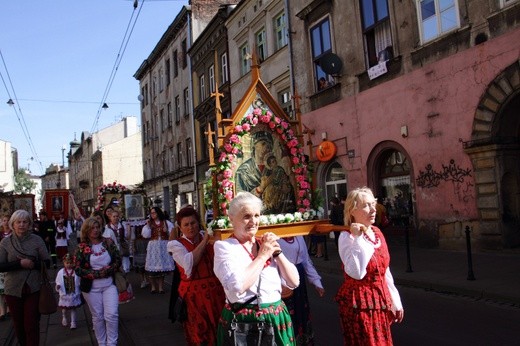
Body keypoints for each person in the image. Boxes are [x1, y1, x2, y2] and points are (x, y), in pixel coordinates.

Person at [213, 192, 300, 345]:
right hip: (244, 323)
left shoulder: (264, 244)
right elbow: (237, 286)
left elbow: (294, 282)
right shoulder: (225, 247)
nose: (253, 221)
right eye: (246, 216)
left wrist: (277, 253)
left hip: (276, 319)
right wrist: (263, 256)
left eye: (257, 215)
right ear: (232, 219)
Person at [335, 187, 404, 345]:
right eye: (366, 205)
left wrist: (395, 300)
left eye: (373, 204)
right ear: (352, 210)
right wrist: (358, 238)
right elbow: (356, 272)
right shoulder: (347, 237)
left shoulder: (377, 232)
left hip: (380, 301)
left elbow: (385, 271)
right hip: (360, 304)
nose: (373, 209)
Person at [167, 206, 226, 345]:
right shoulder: (176, 245)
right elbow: (189, 262)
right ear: (180, 228)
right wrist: (205, 239)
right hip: (193, 296)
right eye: (186, 225)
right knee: (201, 335)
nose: (190, 227)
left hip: (216, 293)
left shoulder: (211, 238)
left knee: (221, 331)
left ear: (198, 223)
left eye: (193, 223)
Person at [0, 209, 50, 346]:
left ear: (29, 224)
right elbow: (1, 266)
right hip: (13, 290)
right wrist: (19, 263)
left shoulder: (37, 240)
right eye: (18, 222)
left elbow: (47, 262)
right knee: (19, 325)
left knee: (31, 324)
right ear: (13, 224)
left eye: (25, 222)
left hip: (33, 288)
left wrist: (32, 264)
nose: (21, 225)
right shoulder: (5, 243)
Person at [75, 217, 121, 346]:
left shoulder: (108, 243)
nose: (95, 230)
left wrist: (108, 270)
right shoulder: (81, 247)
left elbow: (118, 260)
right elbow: (77, 269)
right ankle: (102, 343)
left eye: (97, 227)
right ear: (86, 230)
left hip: (109, 285)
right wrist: (95, 274)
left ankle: (112, 343)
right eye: (92, 228)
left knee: (112, 315)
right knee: (98, 317)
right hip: (91, 289)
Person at [279, 235, 325, 345]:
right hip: (282, 280)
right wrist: (281, 284)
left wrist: (316, 281)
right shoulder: (275, 237)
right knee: (287, 317)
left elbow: (305, 260)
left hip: (298, 280)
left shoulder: (298, 236)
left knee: (301, 314)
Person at [141, 207, 175, 294]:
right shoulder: (150, 223)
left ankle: (160, 287)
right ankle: (153, 286)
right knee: (152, 267)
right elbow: (145, 235)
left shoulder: (166, 222)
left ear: (158, 213)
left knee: (161, 268)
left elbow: (172, 232)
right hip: (154, 246)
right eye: (151, 213)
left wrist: (167, 231)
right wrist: (148, 226)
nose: (153, 215)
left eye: (154, 213)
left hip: (163, 245)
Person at [235, 130, 274, 195]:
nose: (267, 147)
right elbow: (240, 198)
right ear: (254, 146)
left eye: (269, 145)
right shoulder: (243, 171)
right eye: (263, 143)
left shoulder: (274, 169)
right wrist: (259, 189)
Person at [55, 253, 82, 329]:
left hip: (73, 292)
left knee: (73, 308)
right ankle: (64, 316)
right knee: (64, 308)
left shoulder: (75, 271)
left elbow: (78, 280)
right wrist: (58, 285)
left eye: (71, 263)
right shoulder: (61, 272)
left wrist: (79, 285)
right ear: (64, 263)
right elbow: (58, 280)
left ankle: (73, 322)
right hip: (65, 293)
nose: (69, 265)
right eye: (67, 263)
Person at [0, 214, 12, 321]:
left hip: (10, 264)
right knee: (0, 290)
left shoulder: (13, 234)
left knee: (8, 288)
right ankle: (2, 311)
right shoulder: (0, 234)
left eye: (8, 220)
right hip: (1, 264)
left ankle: (9, 309)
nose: (6, 222)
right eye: (4, 220)